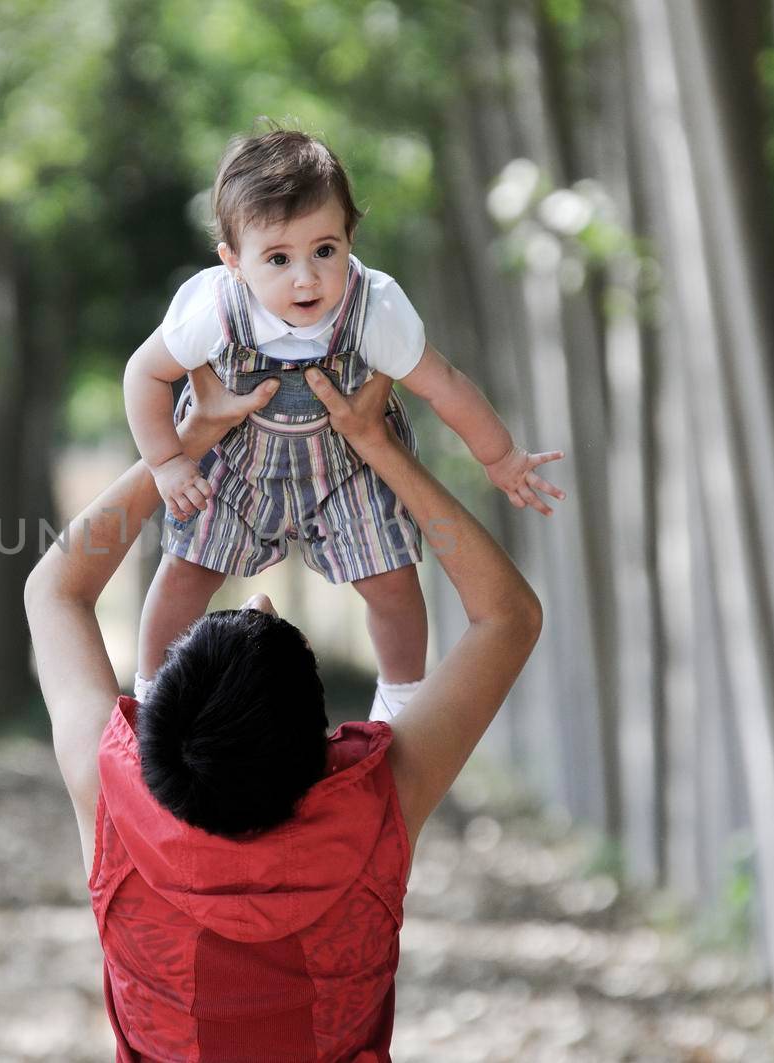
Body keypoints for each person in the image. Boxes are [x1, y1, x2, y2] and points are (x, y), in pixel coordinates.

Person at [25, 363, 544, 1061]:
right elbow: (508, 614)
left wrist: (177, 447)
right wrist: (379, 449)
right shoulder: (376, 806)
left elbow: (53, 588)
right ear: (325, 746)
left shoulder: (111, 793)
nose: (258, 596)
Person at [123, 126, 563, 724]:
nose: (306, 277)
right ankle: (153, 693)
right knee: (186, 572)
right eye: (278, 259)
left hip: (347, 469)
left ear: (351, 240)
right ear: (233, 262)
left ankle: (402, 698)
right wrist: (168, 461)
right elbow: (144, 375)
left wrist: (501, 458)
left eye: (324, 251)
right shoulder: (214, 307)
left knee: (392, 581)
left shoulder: (374, 307)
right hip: (234, 464)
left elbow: (445, 385)